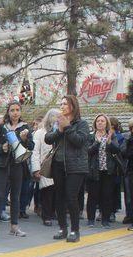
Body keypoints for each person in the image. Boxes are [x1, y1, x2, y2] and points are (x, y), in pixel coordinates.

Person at [45, 95, 90, 243]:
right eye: (61, 103)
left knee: (71, 197)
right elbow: (48, 138)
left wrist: (68, 128)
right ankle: (62, 228)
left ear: (73, 106)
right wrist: (59, 129)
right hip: (58, 164)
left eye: (65, 104)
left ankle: (75, 230)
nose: (62, 106)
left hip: (76, 166)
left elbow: (80, 142)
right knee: (59, 197)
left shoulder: (82, 124)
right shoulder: (58, 123)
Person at [0, 101, 32, 238]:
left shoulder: (25, 127)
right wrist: (2, 148)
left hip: (18, 165)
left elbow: (31, 146)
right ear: (8, 112)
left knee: (15, 196)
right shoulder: (1, 127)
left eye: (18, 110)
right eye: (12, 110)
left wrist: (24, 140)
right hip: (2, 165)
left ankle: (14, 227)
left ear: (21, 111)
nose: (15, 112)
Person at [86, 114, 120, 228]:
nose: (100, 123)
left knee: (107, 195)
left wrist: (109, 141)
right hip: (94, 169)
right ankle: (91, 219)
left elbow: (117, 150)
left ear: (107, 124)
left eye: (103, 121)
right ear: (95, 123)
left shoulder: (111, 135)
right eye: (98, 121)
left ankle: (105, 219)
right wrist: (97, 142)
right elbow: (88, 151)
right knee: (92, 195)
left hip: (108, 170)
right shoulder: (91, 136)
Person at [31, 109, 58, 226]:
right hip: (45, 165)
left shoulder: (61, 132)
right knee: (47, 191)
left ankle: (53, 213)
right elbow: (35, 152)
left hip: (59, 165)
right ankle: (46, 216)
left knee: (57, 191)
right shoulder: (40, 133)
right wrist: (36, 169)